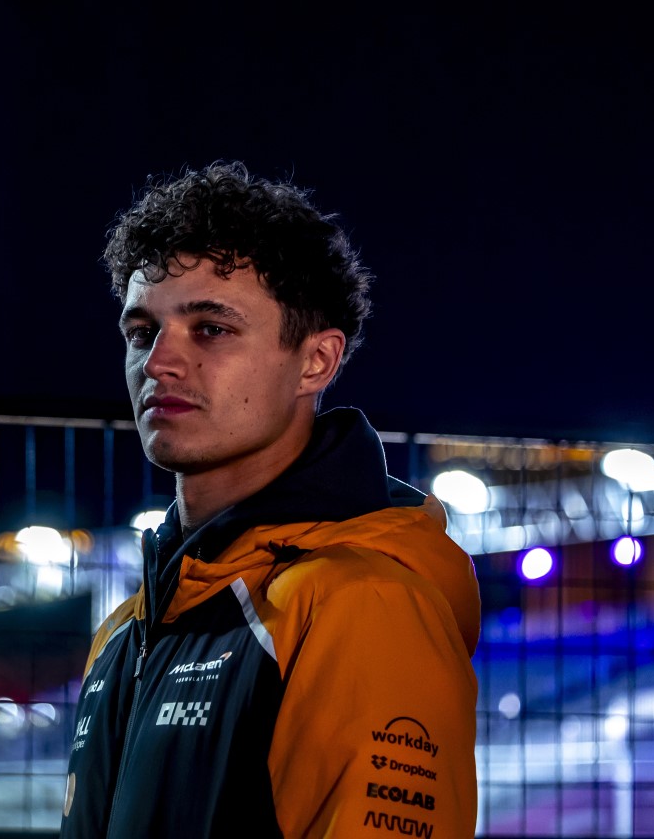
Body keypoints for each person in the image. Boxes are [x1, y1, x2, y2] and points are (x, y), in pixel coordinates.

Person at [60, 164, 480, 837]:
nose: (159, 361)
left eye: (211, 329)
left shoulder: (362, 605)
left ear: (315, 362)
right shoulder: (123, 631)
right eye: (142, 333)